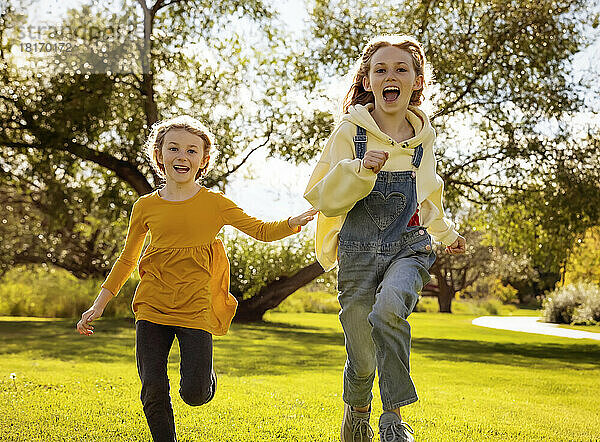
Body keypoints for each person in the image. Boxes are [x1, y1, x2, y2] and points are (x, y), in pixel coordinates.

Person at [76, 115, 317, 442]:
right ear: (159, 154)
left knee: (194, 392)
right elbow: (128, 258)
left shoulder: (214, 203)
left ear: (203, 159)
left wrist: (292, 221)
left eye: (191, 151)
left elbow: (260, 230)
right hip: (152, 305)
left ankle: (206, 380)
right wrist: (99, 304)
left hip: (196, 308)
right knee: (153, 387)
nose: (182, 156)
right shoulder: (145, 206)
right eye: (173, 148)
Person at [304, 35, 466, 442]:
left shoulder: (423, 137)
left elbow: (428, 195)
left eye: (400, 69)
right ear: (368, 80)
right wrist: (359, 169)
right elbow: (321, 196)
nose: (390, 76)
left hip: (408, 247)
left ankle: (393, 420)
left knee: (389, 310)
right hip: (357, 252)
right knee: (361, 358)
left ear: (416, 81)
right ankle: (358, 411)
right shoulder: (349, 131)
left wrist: (446, 234)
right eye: (380, 69)